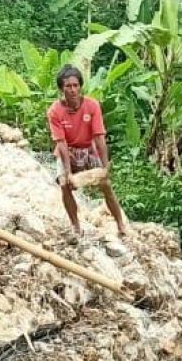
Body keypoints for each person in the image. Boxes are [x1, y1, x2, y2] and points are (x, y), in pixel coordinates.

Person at [47, 65, 128, 235]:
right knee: (64, 185)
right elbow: (61, 143)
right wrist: (68, 172)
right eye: (68, 86)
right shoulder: (55, 111)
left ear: (80, 86)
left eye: (76, 85)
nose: (73, 90)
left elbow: (99, 136)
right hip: (67, 150)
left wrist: (105, 166)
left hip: (88, 148)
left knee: (106, 184)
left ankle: (120, 223)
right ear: (61, 88)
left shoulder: (92, 106)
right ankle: (75, 225)